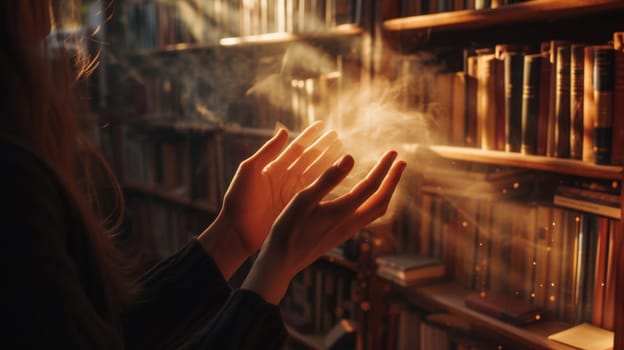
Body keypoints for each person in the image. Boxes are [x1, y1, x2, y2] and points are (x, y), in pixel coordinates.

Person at [0, 1, 406, 349]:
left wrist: (232, 236)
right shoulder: (16, 179)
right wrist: (273, 271)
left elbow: (110, 335)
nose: (51, 16)